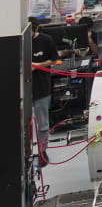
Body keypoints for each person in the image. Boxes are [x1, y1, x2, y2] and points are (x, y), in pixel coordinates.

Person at [30, 17, 58, 166]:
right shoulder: (21, 42)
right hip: (25, 90)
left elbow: (54, 60)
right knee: (24, 124)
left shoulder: (46, 40)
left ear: (35, 29)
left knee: (42, 123)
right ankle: (26, 152)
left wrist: (37, 65)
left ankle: (42, 152)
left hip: (41, 88)